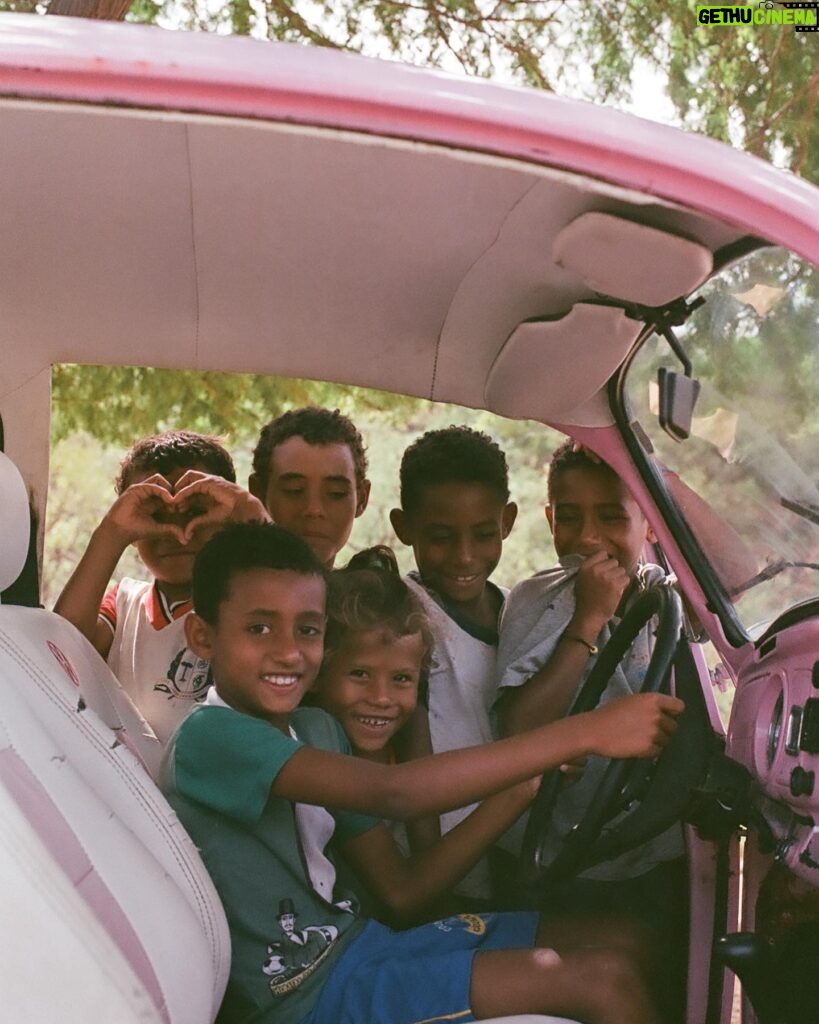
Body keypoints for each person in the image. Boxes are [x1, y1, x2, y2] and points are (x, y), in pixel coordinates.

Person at [161, 520, 684, 1024]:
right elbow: (395, 795)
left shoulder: (315, 729)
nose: (288, 651)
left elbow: (405, 892)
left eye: (308, 629)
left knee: (633, 940)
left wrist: (523, 788)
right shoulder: (210, 736)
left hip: (365, 949)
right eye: (259, 627)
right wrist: (586, 731)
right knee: (603, 980)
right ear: (203, 637)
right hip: (306, 1001)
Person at [495, 439, 688, 1015]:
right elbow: (518, 732)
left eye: (611, 516)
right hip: (559, 856)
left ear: (650, 523)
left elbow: (743, 572)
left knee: (674, 978)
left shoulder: (670, 600)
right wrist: (589, 618)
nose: (588, 538)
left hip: (652, 849)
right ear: (549, 518)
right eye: (570, 517)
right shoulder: (540, 600)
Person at [54, 430, 268, 744]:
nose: (177, 532)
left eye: (197, 512)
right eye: (154, 516)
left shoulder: (253, 602)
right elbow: (61, 646)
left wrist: (249, 511)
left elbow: (305, 608)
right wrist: (111, 533)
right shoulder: (123, 603)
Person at [389, 425, 516, 900]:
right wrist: (431, 876)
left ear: (508, 521)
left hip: (506, 852)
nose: (464, 556)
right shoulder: (406, 615)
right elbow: (414, 764)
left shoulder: (516, 611)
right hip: (441, 867)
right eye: (440, 537)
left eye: (483, 534)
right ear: (404, 528)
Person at [249, 406, 371, 568]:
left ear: (362, 499)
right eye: (294, 491)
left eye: (336, 493)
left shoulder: (380, 592)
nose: (314, 510)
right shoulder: (225, 590)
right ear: (258, 493)